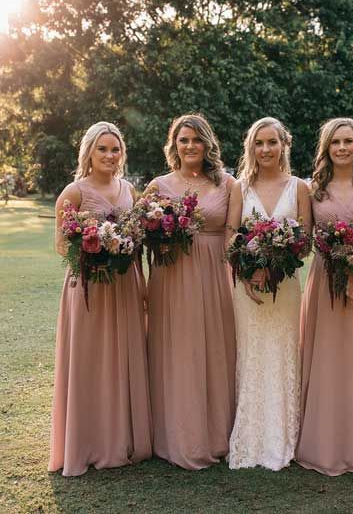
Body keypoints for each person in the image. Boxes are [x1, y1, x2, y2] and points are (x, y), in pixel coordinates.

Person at [49, 121, 152, 477]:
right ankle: (87, 442)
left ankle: (120, 439)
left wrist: (140, 285)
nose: (110, 156)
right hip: (89, 287)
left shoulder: (130, 191)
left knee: (121, 358)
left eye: (115, 149)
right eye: (102, 149)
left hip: (123, 285)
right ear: (89, 153)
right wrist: (97, 251)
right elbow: (62, 245)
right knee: (90, 360)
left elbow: (137, 243)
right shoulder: (73, 192)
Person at [145, 113, 237, 470]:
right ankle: (176, 435)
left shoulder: (228, 184)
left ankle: (215, 435)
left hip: (214, 274)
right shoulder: (157, 186)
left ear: (207, 144)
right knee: (177, 351)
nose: (190, 146)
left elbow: (231, 235)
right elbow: (144, 238)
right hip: (171, 277)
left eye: (196, 139)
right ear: (174, 145)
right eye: (183, 140)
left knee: (214, 350)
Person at [296, 118, 353, 476]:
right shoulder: (313, 189)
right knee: (326, 356)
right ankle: (323, 442)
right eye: (336, 142)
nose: (343, 148)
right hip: (324, 281)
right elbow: (305, 238)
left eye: (349, 141)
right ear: (327, 148)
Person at [226, 117, 312, 470]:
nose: (265, 149)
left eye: (272, 142)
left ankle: (286, 437)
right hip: (247, 288)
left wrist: (278, 260)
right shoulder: (240, 188)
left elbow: (305, 241)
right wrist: (248, 266)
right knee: (251, 354)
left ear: (283, 145)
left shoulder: (299, 188)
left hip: (286, 287)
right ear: (251, 147)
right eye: (259, 143)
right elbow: (230, 233)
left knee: (284, 352)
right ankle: (250, 437)